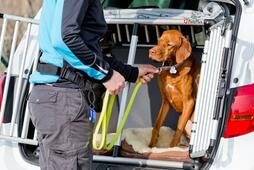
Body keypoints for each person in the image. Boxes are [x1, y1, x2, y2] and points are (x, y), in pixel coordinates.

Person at [28, 0, 158, 169]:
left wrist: (130, 72)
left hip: (52, 98)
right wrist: (106, 75)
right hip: (64, 101)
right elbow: (65, 39)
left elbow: (83, 49)